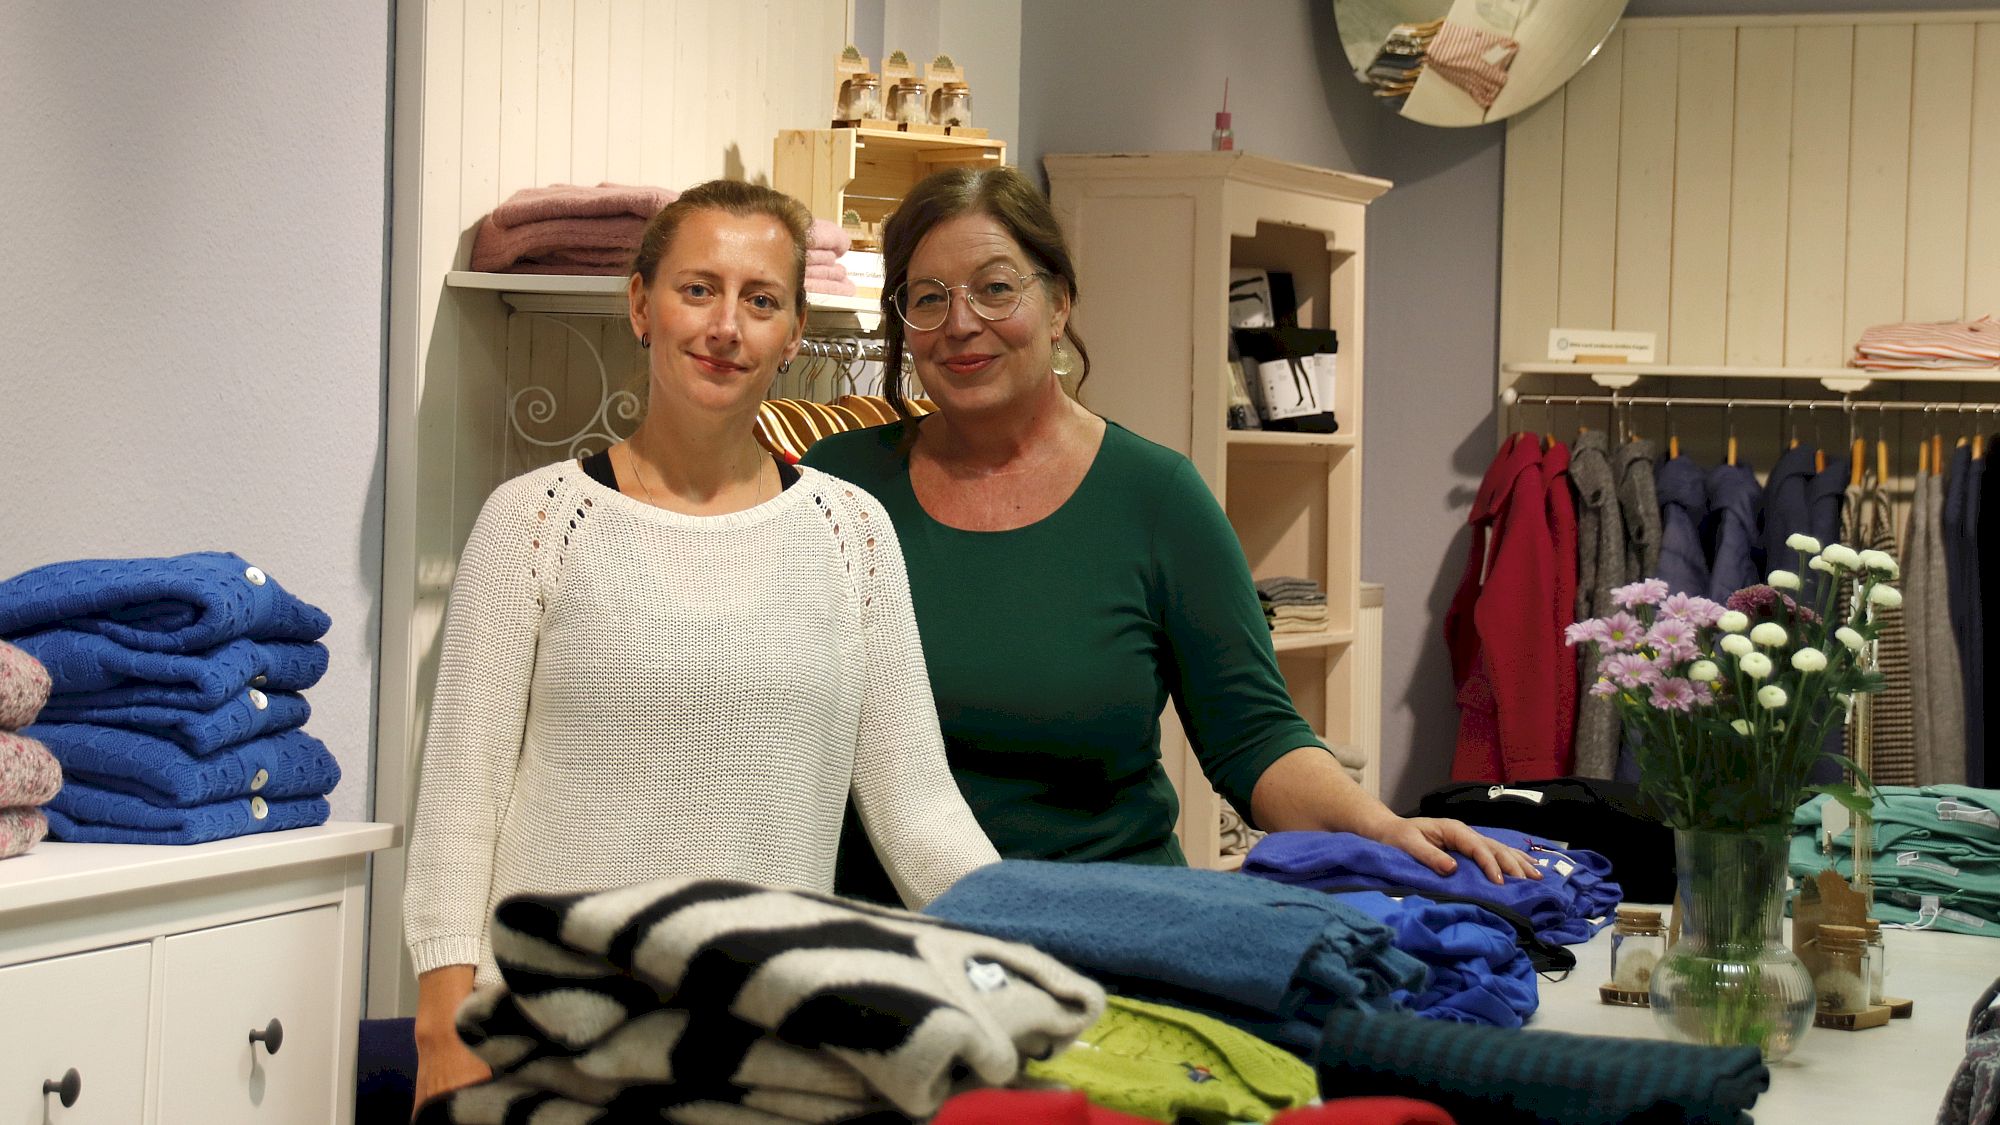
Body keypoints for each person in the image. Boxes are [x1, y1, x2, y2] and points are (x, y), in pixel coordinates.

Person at [401, 180, 998, 1110]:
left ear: (795, 330)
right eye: (698, 289)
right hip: (548, 1035)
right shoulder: (534, 521)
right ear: (640, 305)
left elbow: (919, 809)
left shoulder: (854, 533)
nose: (727, 325)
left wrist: (1034, 950)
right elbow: (459, 800)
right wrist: (443, 1024)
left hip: (767, 1046)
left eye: (761, 300)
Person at [802, 166, 1535, 903]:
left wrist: (1380, 826)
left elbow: (1254, 738)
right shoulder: (835, 490)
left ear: (1058, 304)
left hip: (1110, 938)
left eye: (995, 288)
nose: (960, 323)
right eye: (929, 298)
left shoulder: (1156, 499)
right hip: (888, 942)